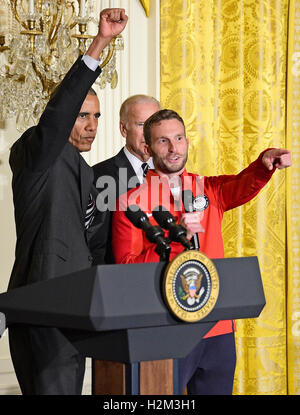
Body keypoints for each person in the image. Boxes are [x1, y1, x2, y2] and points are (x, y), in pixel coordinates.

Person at [111, 109, 292, 395]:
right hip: (166, 331)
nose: (174, 148)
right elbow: (127, 269)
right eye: (163, 141)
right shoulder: (129, 203)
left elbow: (244, 183)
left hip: (217, 330)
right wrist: (174, 240)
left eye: (179, 138)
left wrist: (265, 162)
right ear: (147, 148)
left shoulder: (208, 189)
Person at [8, 8, 128, 395]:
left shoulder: (88, 173)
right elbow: (57, 116)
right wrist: (100, 43)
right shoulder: (40, 152)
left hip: (77, 310)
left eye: (96, 116)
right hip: (45, 306)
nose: (91, 125)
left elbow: (93, 244)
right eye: (81, 116)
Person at [92, 94, 161, 264]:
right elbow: (94, 245)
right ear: (124, 129)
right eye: (141, 124)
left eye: (154, 124)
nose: (149, 133)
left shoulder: (172, 175)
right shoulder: (97, 176)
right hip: (119, 280)